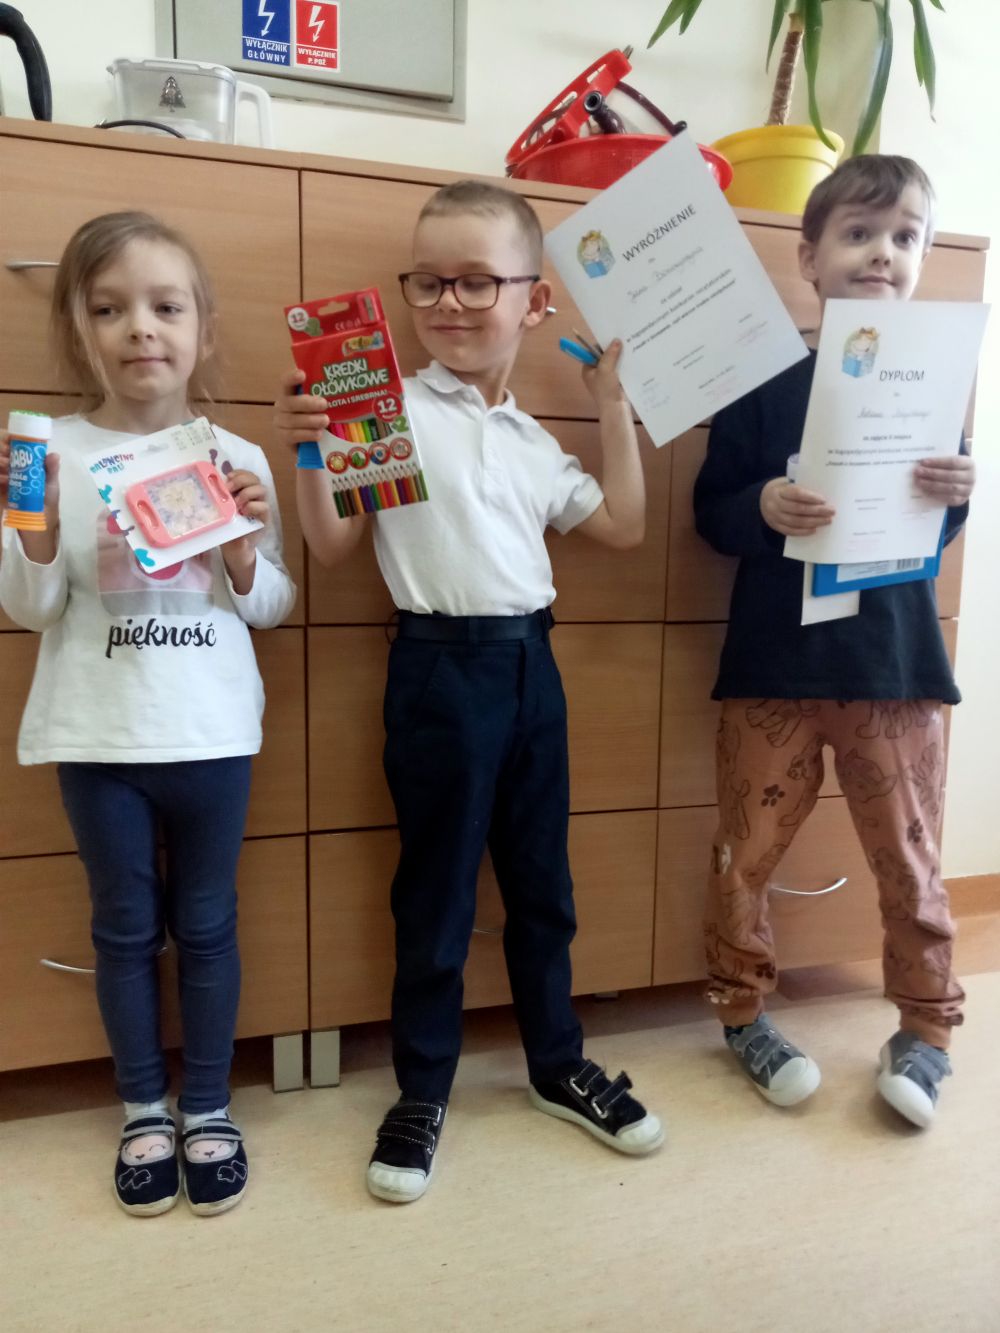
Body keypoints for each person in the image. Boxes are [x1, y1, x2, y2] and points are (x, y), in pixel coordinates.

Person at [275, 180, 663, 1203]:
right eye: (429, 282)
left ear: (534, 301)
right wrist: (310, 445)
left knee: (542, 883)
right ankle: (422, 1088)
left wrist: (611, 406)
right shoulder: (385, 406)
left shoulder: (533, 442)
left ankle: (555, 1061)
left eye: (477, 282)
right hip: (437, 669)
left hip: (534, 666)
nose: (449, 302)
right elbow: (332, 544)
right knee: (437, 889)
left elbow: (624, 525)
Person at [0, 211, 296, 1215]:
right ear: (77, 329)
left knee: (208, 923)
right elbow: (33, 608)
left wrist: (245, 551)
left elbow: (272, 606)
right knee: (123, 927)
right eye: (109, 309)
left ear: (202, 329)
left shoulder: (234, 452)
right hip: (99, 736)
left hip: (211, 734)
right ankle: (142, 1109)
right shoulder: (48, 452)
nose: (140, 328)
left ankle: (207, 1105)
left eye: (166, 307)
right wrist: (34, 526)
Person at [693, 156, 974, 1129]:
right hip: (772, 666)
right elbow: (711, 510)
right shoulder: (763, 380)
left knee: (910, 857)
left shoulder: (934, 381)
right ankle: (741, 1012)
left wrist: (958, 495)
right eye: (858, 234)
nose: (882, 253)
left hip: (893, 667)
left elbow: (934, 527)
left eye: (903, 237)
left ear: (921, 258)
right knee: (744, 853)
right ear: (809, 258)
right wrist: (763, 504)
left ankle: (927, 1027)